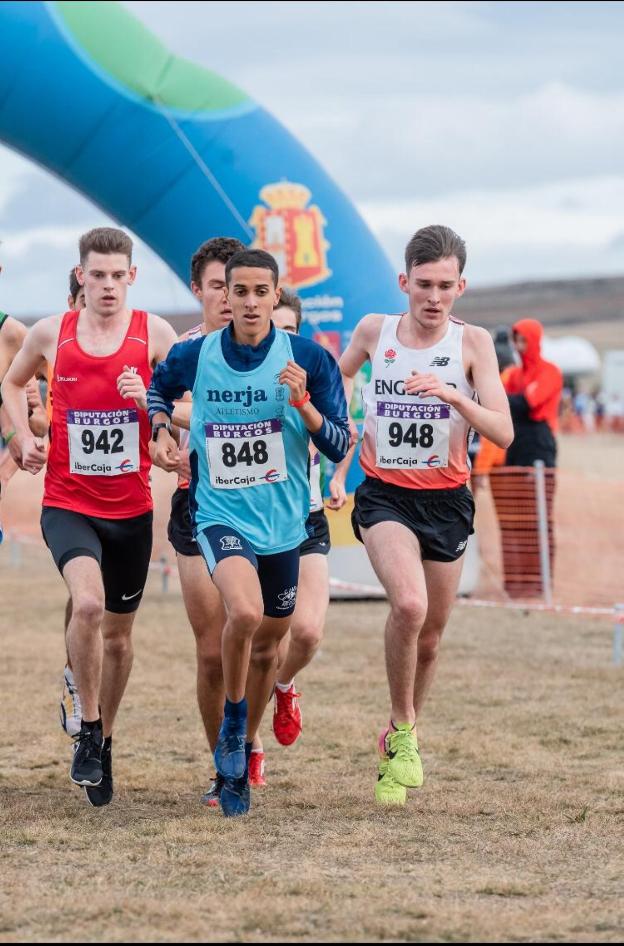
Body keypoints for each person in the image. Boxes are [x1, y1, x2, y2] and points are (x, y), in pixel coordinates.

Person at [147, 248, 350, 817]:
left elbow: (337, 443)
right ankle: (233, 726)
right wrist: (161, 425)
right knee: (245, 613)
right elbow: (156, 391)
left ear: (276, 293)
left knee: (272, 645)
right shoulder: (197, 353)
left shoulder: (308, 357)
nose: (252, 302)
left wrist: (303, 404)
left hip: (284, 523)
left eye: (263, 292)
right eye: (241, 292)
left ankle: (243, 737)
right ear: (226, 297)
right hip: (219, 513)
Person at [2, 226, 178, 807]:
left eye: (117, 275)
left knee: (120, 641)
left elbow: (190, 405)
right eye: (96, 275)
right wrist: (21, 436)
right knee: (87, 604)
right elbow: (12, 380)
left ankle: (102, 737)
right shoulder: (54, 332)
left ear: (133, 276)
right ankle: (87, 726)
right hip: (69, 503)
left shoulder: (155, 334)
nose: (107, 285)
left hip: (130, 510)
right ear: (82, 276)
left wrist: (146, 399)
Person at [338, 224, 513, 806]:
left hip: (448, 500)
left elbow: (503, 431)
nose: (433, 297)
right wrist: (333, 435)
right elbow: (335, 377)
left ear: (461, 286)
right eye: (423, 285)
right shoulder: (375, 331)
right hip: (385, 494)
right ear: (403, 282)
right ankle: (404, 729)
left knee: (432, 638)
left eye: (445, 286)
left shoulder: (473, 344)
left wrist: (455, 397)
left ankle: (399, 737)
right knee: (408, 605)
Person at [248, 289, 352, 786]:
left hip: (305, 519)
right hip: (250, 520)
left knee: (306, 632)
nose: (280, 339)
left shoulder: (312, 372)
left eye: (289, 330)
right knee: (256, 638)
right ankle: (250, 744)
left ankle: (284, 686)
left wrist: (335, 478)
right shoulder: (241, 371)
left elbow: (342, 433)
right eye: (274, 328)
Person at [164, 235, 245, 807]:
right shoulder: (184, 353)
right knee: (212, 649)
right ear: (198, 290)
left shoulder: (273, 348)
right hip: (196, 502)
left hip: (261, 507)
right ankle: (224, 767)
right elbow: (154, 413)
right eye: (217, 286)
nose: (227, 297)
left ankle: (251, 733)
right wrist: (160, 443)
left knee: (265, 638)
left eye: (235, 286)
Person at [492, 318, 563, 598]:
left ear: (533, 340)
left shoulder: (550, 372)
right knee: (513, 518)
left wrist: (499, 396)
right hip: (515, 447)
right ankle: (517, 582)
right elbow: (509, 402)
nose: (519, 346)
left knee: (539, 519)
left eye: (523, 340)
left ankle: (540, 582)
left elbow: (528, 403)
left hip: (540, 449)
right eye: (516, 340)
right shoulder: (516, 375)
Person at [57, 270, 87, 737]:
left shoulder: (134, 342)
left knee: (104, 611)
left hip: (124, 501)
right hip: (68, 496)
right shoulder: (55, 342)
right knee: (85, 599)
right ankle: (78, 682)